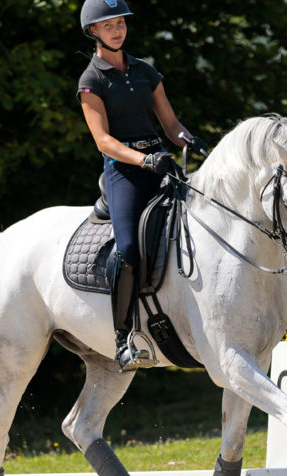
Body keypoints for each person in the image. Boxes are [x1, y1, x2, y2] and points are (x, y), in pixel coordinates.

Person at [77, 0, 207, 372]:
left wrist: (190, 140)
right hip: (125, 172)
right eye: (109, 25)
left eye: (120, 23)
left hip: (160, 162)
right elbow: (102, 140)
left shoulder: (145, 70)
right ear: (94, 32)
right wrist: (143, 160)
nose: (117, 30)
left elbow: (171, 125)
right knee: (129, 248)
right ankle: (123, 338)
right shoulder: (92, 80)